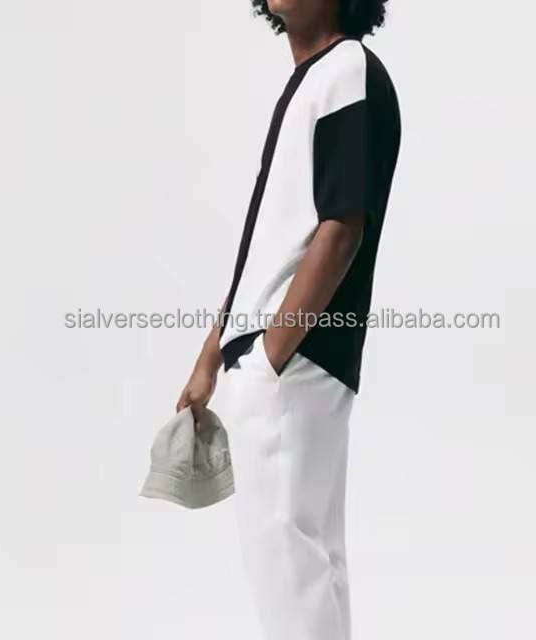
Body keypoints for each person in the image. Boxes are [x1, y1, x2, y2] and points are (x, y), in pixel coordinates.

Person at [177, 1, 400, 638]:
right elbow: (269, 242)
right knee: (312, 565)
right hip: (284, 361)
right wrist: (212, 354)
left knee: (287, 567)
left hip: (293, 362)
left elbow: (342, 226)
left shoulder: (346, 67)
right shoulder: (316, 77)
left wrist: (273, 354)